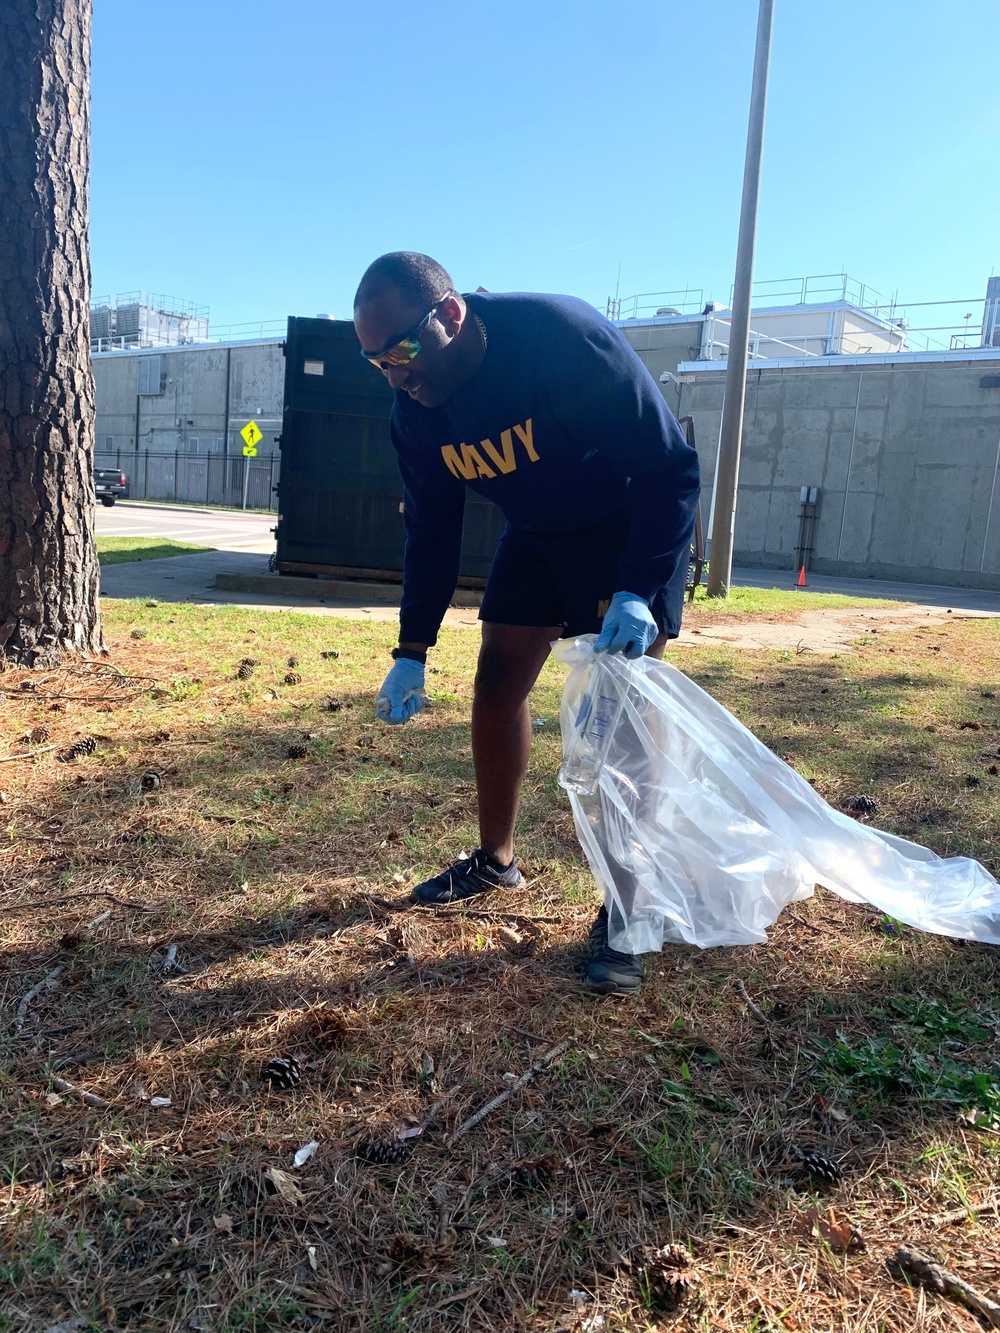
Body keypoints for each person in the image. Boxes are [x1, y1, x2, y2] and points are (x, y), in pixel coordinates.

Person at [353, 252, 700, 995]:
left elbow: (669, 469)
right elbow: (433, 532)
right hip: (539, 535)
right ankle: (496, 859)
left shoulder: (561, 340)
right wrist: (412, 647)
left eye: (403, 353)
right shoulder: (414, 412)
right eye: (376, 362)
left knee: (623, 722)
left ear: (450, 316)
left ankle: (628, 914)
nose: (396, 376)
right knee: (497, 682)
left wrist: (641, 587)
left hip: (628, 529)